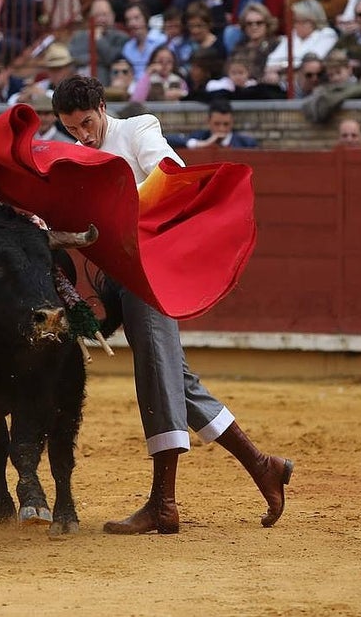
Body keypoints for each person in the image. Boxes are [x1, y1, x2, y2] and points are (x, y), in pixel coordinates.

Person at [51, 74, 292, 535]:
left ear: (102, 107)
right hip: (118, 281)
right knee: (176, 378)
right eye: (71, 128)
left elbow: (168, 174)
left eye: (86, 123)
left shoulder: (139, 129)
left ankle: (164, 503)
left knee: (158, 375)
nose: (82, 135)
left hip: (151, 272)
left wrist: (113, 217)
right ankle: (264, 467)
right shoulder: (77, 153)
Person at [171, 101, 259, 149]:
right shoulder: (199, 137)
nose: (221, 129)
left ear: (232, 122)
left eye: (226, 124)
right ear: (208, 121)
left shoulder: (246, 143)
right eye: (217, 124)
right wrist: (202, 144)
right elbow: (168, 140)